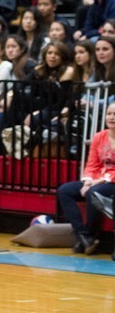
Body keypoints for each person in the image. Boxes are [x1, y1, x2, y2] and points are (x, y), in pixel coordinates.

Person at [56, 102, 115, 257]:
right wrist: (88, 180)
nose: (112, 117)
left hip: (111, 182)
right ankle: (82, 235)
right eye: (109, 114)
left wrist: (102, 180)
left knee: (93, 193)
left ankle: (90, 234)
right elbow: (92, 163)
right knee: (65, 190)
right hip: (97, 180)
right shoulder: (99, 136)